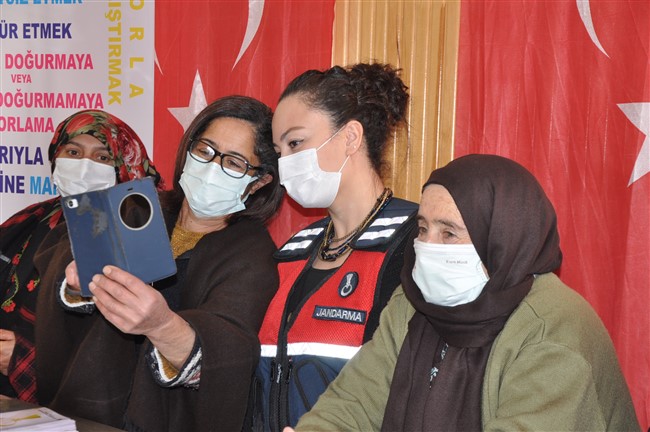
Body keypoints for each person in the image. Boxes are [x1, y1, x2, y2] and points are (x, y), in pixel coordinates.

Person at [290, 154, 640, 431]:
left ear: (501, 239)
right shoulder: (410, 304)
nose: (427, 247)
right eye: (422, 229)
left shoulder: (553, 329)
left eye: (449, 234)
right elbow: (353, 402)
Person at [33, 96, 285, 431]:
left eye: (235, 163)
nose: (212, 167)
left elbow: (229, 350)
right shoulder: (137, 207)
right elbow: (60, 262)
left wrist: (162, 326)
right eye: (205, 150)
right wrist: (76, 283)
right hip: (87, 414)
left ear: (260, 181)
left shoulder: (251, 254)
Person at [251, 63, 419, 431]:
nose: (286, 164)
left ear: (351, 138)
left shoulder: (415, 242)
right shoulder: (292, 251)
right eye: (279, 151)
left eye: (296, 143)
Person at [0, 109, 164, 403]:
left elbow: (120, 342)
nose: (84, 166)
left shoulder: (134, 232)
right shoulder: (33, 218)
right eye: (73, 152)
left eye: (102, 157)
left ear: (124, 167)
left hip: (78, 403)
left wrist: (21, 357)